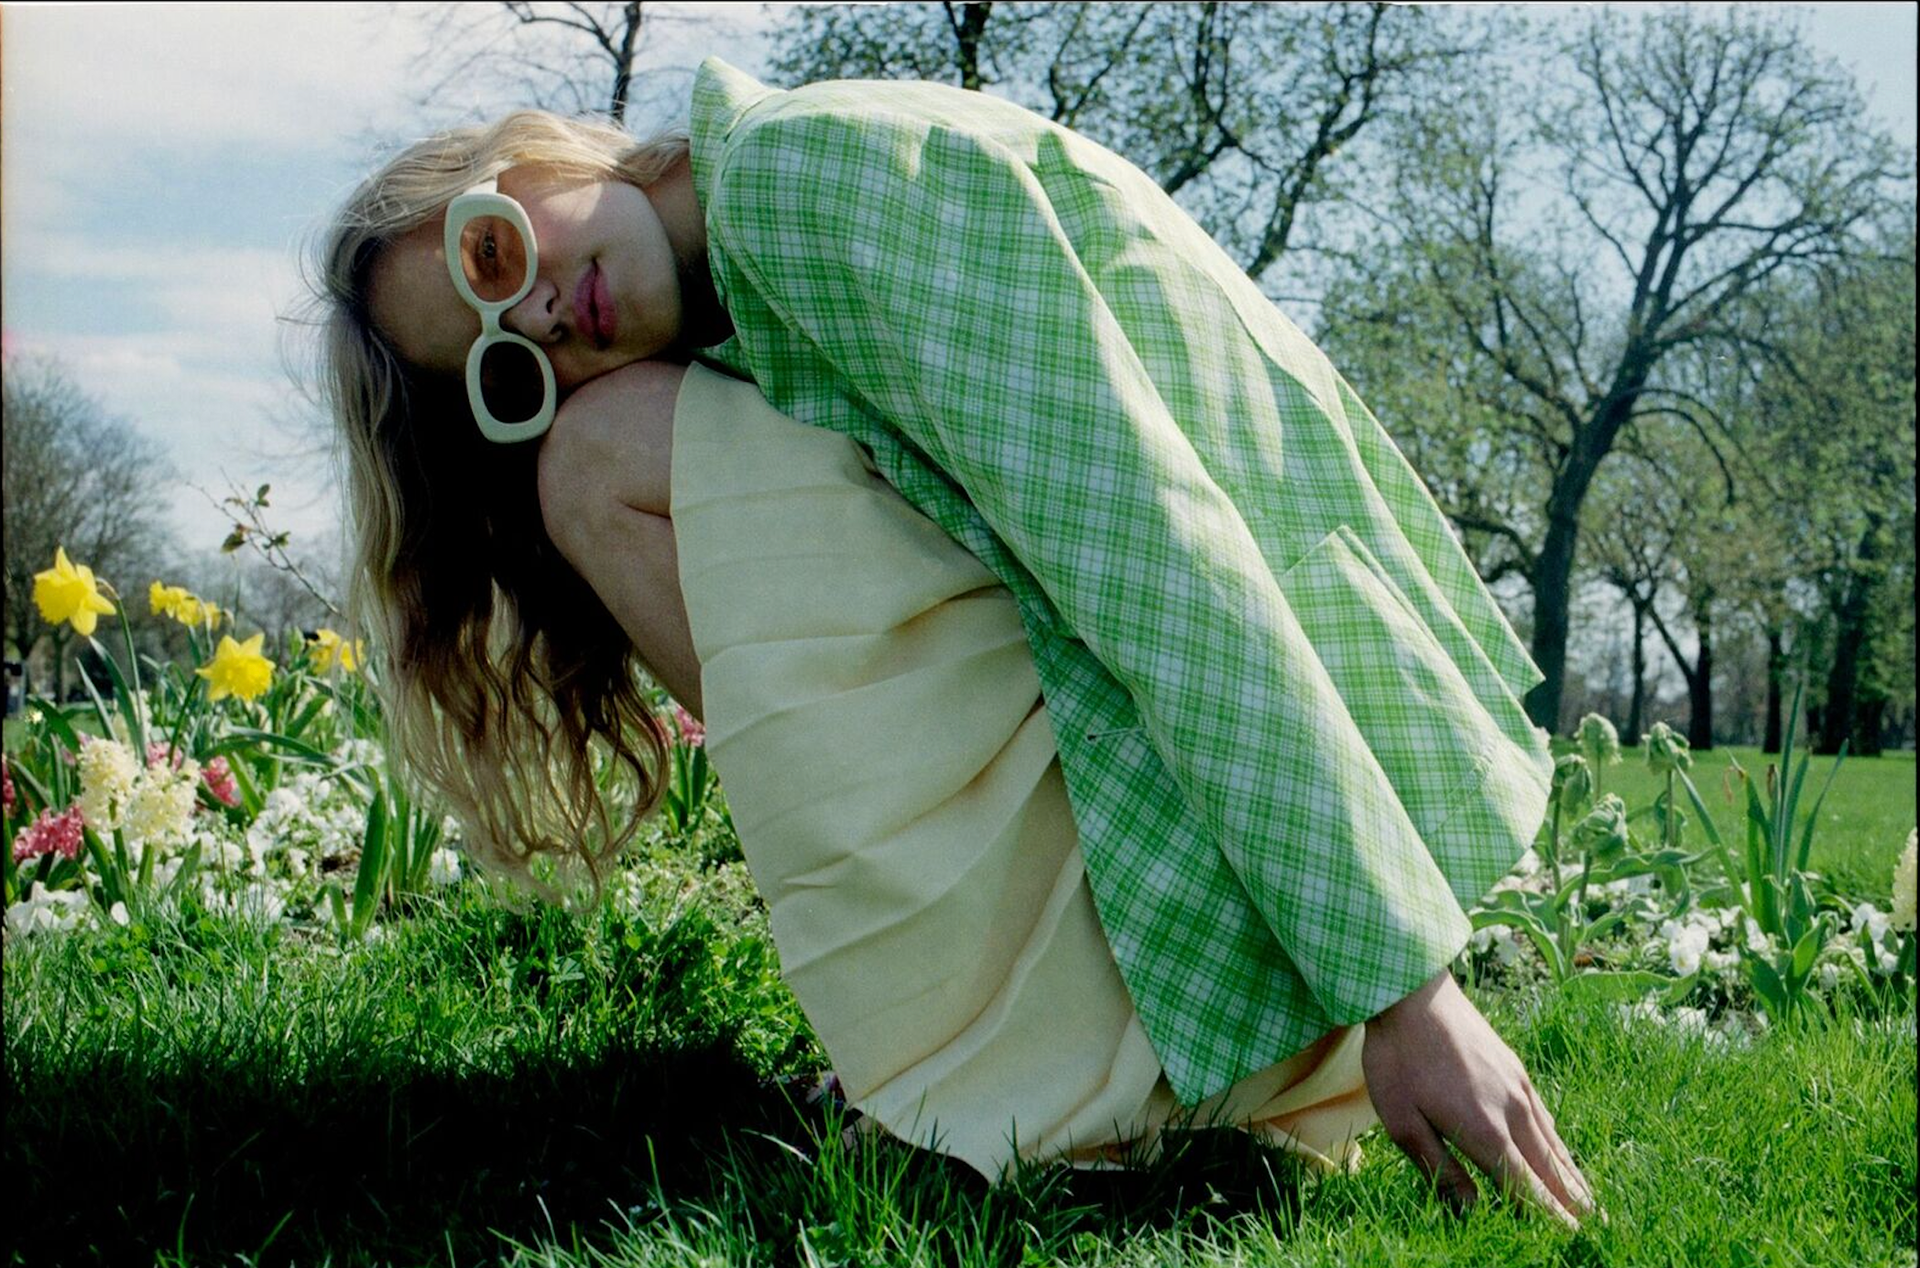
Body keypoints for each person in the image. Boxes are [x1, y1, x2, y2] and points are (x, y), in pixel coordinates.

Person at [312, 57, 1602, 1228]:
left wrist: (1405, 990)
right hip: (1217, 889)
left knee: (594, 466)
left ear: (537, 160)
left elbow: (1159, 551)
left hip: (1259, 887)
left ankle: (1020, 1053)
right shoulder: (762, 264)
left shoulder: (806, 184)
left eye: (492, 259)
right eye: (506, 371)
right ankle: (993, 1042)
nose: (539, 319)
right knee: (595, 457)